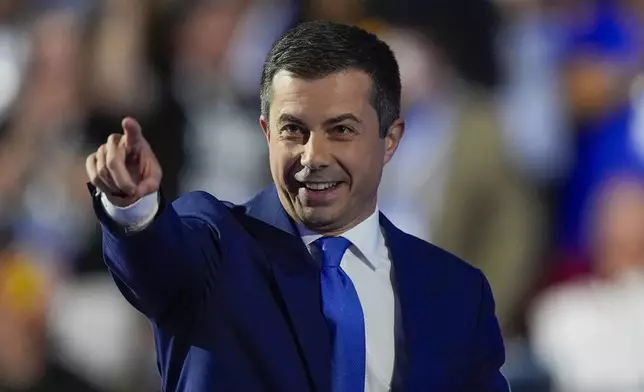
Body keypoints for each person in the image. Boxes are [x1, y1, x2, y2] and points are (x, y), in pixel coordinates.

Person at [85, 21, 509, 392]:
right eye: (294, 129)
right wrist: (133, 206)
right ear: (267, 133)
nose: (313, 156)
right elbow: (158, 261)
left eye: (341, 129)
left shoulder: (457, 294)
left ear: (390, 140)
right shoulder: (214, 245)